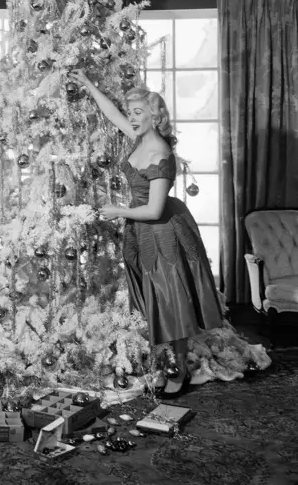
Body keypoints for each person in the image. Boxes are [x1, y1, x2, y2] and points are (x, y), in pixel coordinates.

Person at [69, 71, 224, 397]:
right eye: (131, 113)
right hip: (141, 231)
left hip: (163, 231)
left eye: (137, 113)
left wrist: (117, 211)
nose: (131, 118)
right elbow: (111, 113)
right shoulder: (140, 138)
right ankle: (166, 362)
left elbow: (154, 210)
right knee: (155, 301)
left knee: (173, 303)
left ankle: (179, 369)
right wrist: (87, 82)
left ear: (155, 116)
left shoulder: (160, 154)